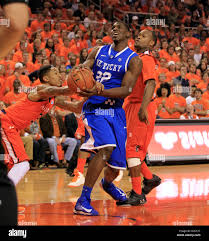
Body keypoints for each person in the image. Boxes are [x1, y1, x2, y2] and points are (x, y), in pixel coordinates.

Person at [72, 21, 142, 216]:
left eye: (120, 27)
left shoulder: (133, 59)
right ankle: (83, 200)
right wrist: (80, 75)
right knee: (106, 148)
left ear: (129, 33)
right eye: (113, 27)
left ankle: (108, 185)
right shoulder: (97, 51)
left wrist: (102, 90)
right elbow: (83, 70)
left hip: (116, 112)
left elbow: (126, 90)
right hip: (95, 109)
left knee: (117, 164)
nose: (115, 29)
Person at [0, 65, 87, 186]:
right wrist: (81, 85)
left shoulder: (53, 99)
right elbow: (59, 90)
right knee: (22, 164)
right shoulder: (41, 89)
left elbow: (76, 107)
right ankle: (5, 197)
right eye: (55, 73)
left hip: (11, 128)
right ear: (46, 78)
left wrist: (92, 95)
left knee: (7, 162)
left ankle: (5, 201)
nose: (59, 76)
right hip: (5, 123)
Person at [117, 29, 161, 206]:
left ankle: (137, 193)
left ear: (151, 43)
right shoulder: (134, 59)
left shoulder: (147, 59)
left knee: (132, 150)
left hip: (141, 106)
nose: (138, 37)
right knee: (130, 149)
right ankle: (150, 179)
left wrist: (143, 108)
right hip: (131, 105)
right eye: (138, 35)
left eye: (143, 36)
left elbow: (151, 83)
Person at [0, 0, 30, 226]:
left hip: (15, 127)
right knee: (22, 165)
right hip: (6, 124)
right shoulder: (46, 91)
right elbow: (16, 23)